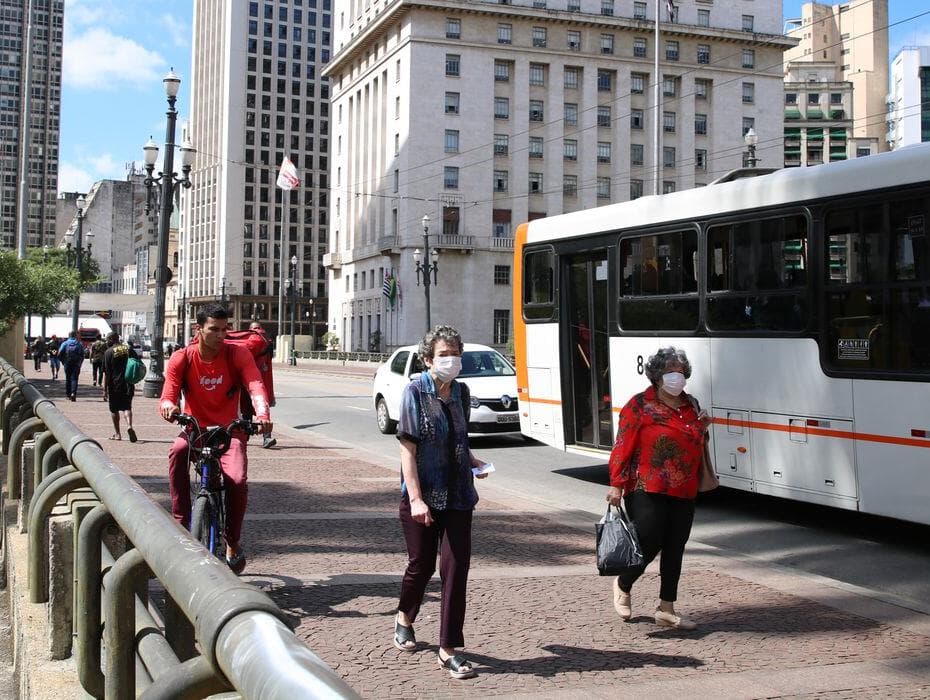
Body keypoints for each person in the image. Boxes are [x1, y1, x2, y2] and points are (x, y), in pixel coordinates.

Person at [392, 325, 489, 681]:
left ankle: (448, 649)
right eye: (444, 354)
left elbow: (457, 438)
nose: (452, 360)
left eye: (456, 354)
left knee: (456, 569)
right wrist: (415, 499)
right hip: (424, 496)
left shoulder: (461, 393)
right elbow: (408, 450)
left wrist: (473, 461)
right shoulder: (415, 392)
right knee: (421, 566)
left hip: (460, 495)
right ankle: (405, 616)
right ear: (429, 359)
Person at [159, 303, 272, 575]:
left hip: (229, 431)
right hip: (195, 430)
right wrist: (168, 406)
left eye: (225, 329)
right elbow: (168, 393)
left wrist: (262, 413)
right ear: (199, 330)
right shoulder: (182, 358)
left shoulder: (238, 354)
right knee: (177, 451)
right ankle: (181, 522)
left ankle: (232, 541)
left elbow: (255, 384)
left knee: (236, 480)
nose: (221, 335)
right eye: (214, 329)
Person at [606, 346, 710, 631]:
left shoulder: (691, 404)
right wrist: (616, 484)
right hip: (645, 485)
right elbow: (622, 446)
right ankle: (624, 582)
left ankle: (666, 607)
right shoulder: (639, 406)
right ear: (657, 376)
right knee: (648, 540)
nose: (677, 376)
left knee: (676, 545)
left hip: (684, 487)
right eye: (670, 371)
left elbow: (697, 441)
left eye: (681, 371)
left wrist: (704, 429)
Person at [240, 321, 277, 448]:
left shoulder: (252, 339)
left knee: (246, 411)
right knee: (262, 409)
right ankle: (267, 437)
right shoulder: (267, 340)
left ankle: (244, 438)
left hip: (249, 379)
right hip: (262, 381)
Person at [101, 332, 138, 442]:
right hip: (128, 383)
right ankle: (129, 426)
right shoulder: (128, 349)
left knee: (114, 409)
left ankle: (118, 434)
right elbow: (137, 363)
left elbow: (106, 373)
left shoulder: (108, 352)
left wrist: (105, 390)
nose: (107, 341)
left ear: (112, 339)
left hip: (114, 384)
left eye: (108, 339)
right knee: (127, 407)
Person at [58, 331, 85, 401]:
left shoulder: (65, 343)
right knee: (74, 379)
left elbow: (59, 353)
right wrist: (80, 363)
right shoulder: (79, 344)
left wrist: (63, 362)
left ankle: (68, 395)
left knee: (68, 378)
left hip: (67, 363)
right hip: (76, 364)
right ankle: (73, 393)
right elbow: (82, 354)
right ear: (75, 336)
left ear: (69, 335)